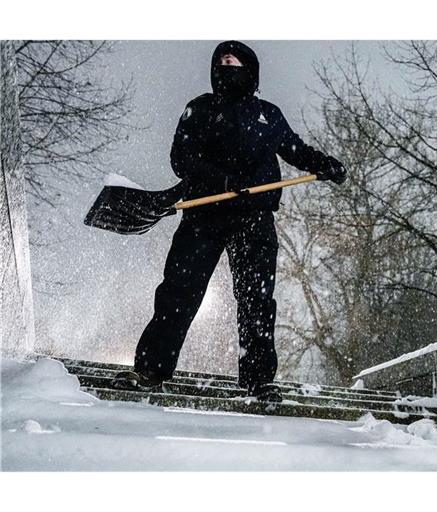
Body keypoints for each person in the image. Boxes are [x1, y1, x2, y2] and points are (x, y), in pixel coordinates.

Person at [111, 41, 346, 402]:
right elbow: (182, 158)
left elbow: (295, 149)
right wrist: (221, 180)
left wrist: (324, 164)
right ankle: (149, 370)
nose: (225, 64)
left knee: (257, 300)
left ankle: (259, 380)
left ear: (249, 71)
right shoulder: (199, 108)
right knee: (179, 293)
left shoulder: (268, 113)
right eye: (220, 61)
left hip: (254, 218)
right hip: (204, 213)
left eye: (232, 60)